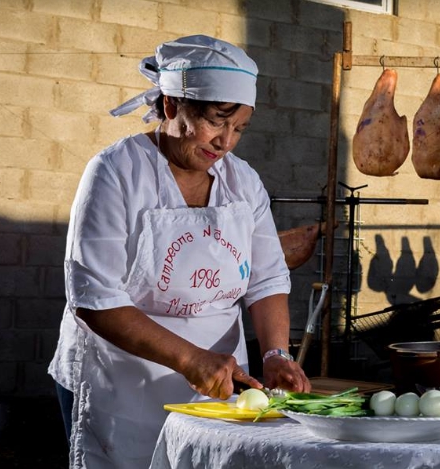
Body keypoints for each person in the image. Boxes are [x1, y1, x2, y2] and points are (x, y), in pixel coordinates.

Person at [48, 34, 311, 469]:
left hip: (218, 379)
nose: (225, 142)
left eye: (239, 128)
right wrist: (189, 358)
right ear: (171, 106)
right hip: (120, 378)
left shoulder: (243, 182)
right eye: (216, 121)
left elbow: (267, 278)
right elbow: (95, 299)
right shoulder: (116, 173)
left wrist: (275, 354)